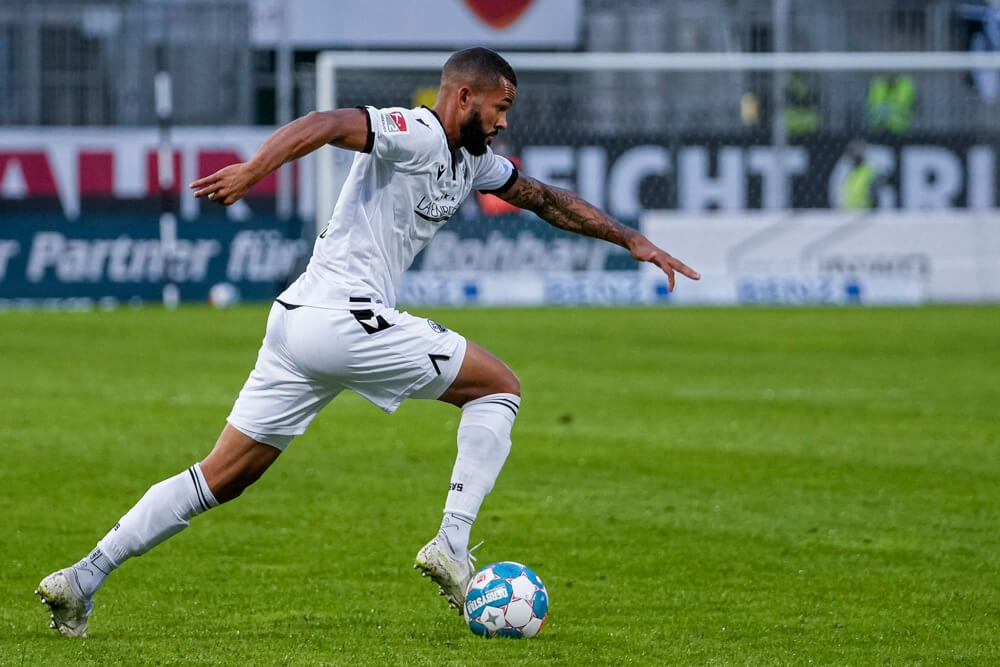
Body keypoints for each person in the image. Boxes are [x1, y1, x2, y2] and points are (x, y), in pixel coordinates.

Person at [35, 47, 700, 637]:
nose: (503, 121)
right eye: (500, 106)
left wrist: (631, 240)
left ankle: (81, 578)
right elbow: (326, 124)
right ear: (464, 95)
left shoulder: (474, 164)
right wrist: (253, 169)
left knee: (220, 477)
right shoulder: (415, 130)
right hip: (342, 316)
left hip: (299, 323)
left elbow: (547, 199)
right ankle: (452, 543)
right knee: (500, 387)